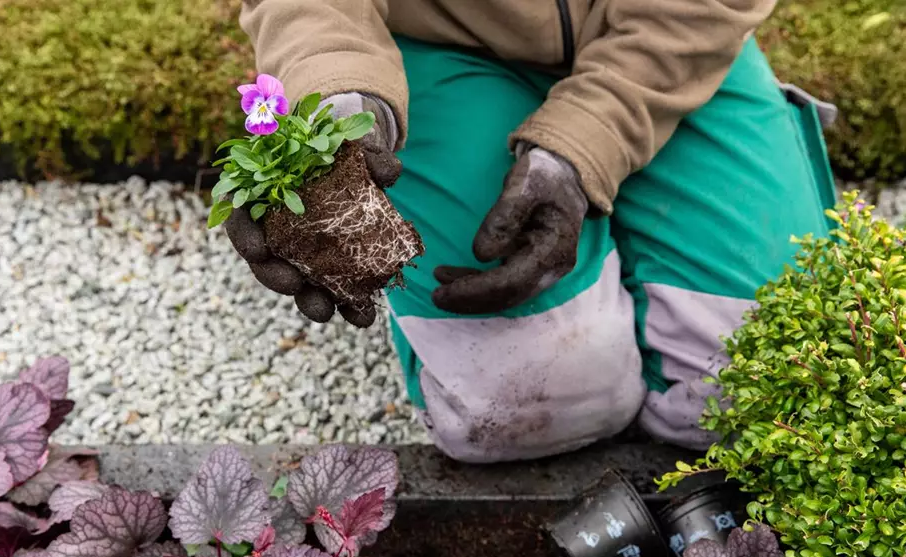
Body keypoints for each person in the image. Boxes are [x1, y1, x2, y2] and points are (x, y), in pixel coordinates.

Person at [226, 0, 838, 463]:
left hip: (667, 37)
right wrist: (333, 100)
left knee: (757, 390)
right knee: (522, 410)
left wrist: (585, 147)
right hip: (437, 39)